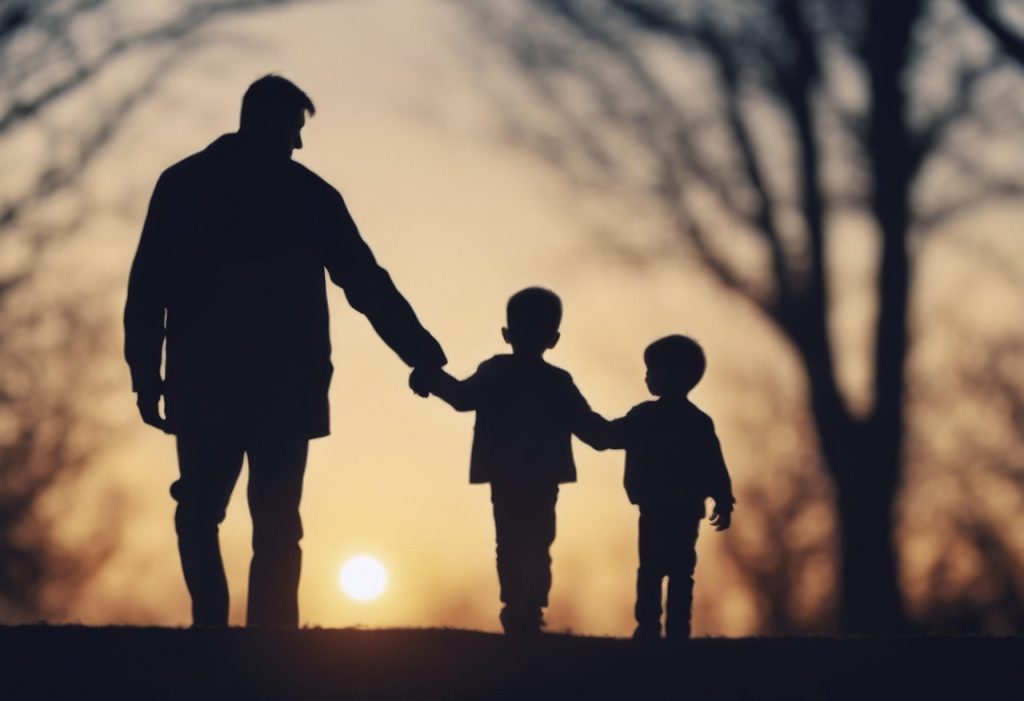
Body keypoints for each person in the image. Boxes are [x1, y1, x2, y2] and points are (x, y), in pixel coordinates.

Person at [124, 75, 446, 627]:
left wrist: (147, 376)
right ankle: (268, 639)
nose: (299, 144)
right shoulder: (309, 196)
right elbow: (364, 281)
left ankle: (214, 630)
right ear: (268, 123)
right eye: (295, 130)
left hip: (208, 382)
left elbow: (148, 287)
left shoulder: (185, 184)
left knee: (202, 512)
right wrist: (418, 349)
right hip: (282, 388)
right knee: (270, 523)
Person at [410, 287, 606, 635]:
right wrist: (636, 431)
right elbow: (591, 428)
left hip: (505, 473)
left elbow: (460, 397)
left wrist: (431, 377)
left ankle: (516, 605)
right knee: (537, 541)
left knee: (511, 541)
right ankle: (528, 607)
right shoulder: (557, 381)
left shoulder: (496, 371)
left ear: (507, 334)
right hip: (542, 475)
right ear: (554, 339)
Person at [597, 335, 734, 641]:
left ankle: (649, 628)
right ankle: (676, 630)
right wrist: (723, 499)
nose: (647, 375)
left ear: (675, 375)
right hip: (684, 510)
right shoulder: (699, 422)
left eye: (653, 369)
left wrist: (577, 419)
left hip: (657, 507)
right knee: (680, 570)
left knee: (652, 569)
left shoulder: (645, 417)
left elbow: (606, 436)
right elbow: (715, 466)